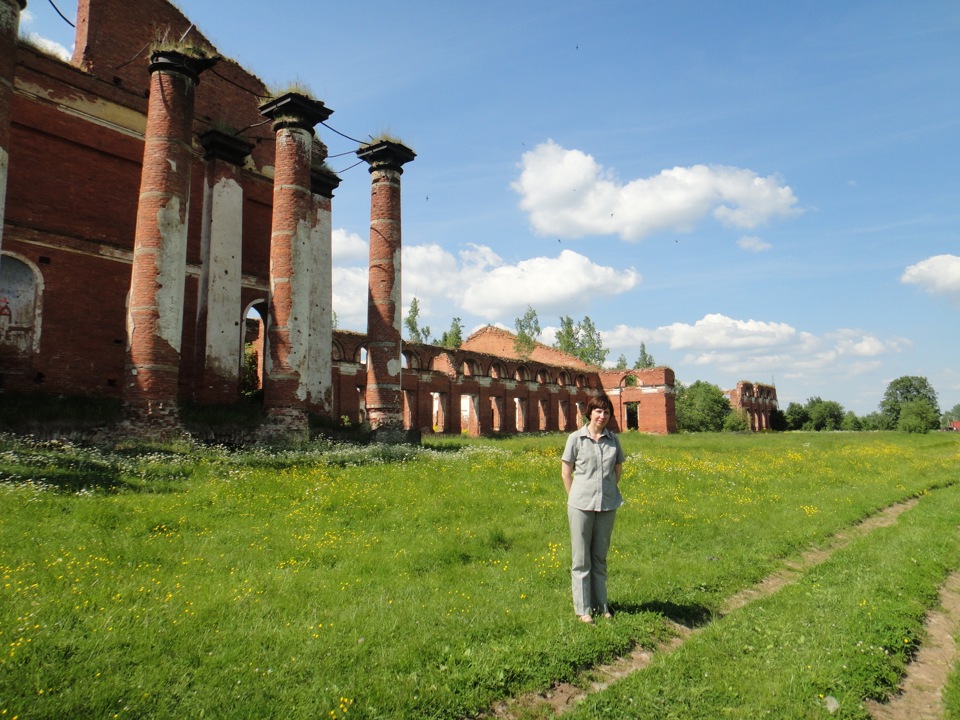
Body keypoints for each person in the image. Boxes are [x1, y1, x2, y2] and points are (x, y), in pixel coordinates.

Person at [561, 394, 625, 624]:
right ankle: (583, 609)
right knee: (581, 559)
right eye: (598, 411)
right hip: (580, 505)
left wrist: (605, 491)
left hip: (607, 505)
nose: (602, 416)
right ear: (589, 413)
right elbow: (566, 472)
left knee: (599, 558)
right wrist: (576, 497)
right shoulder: (575, 439)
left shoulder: (613, 441)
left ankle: (601, 605)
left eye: (606, 412)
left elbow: (617, 470)